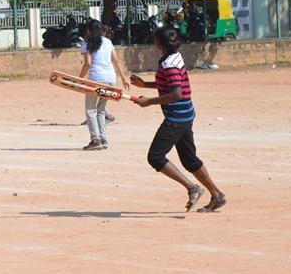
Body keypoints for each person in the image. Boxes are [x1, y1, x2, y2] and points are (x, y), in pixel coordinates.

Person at [131, 27, 226, 213]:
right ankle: (217, 195)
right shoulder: (173, 58)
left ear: (158, 43)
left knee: (155, 157)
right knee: (189, 160)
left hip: (177, 117)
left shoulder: (169, 64)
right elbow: (169, 85)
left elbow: (176, 93)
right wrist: (145, 85)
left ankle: (193, 188)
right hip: (185, 114)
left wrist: (149, 102)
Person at [79, 18, 129, 150]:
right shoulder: (107, 42)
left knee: (90, 110)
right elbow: (116, 61)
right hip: (110, 79)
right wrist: (124, 78)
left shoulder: (87, 42)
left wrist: (79, 79)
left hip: (96, 79)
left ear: (88, 30)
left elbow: (88, 63)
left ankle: (95, 140)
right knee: (101, 110)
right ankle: (103, 139)